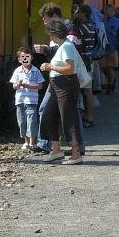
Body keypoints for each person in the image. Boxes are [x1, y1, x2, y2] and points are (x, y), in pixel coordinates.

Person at [39, 20, 83, 164]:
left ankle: (76, 154)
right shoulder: (61, 46)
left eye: (51, 34)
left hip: (66, 85)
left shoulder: (66, 47)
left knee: (68, 119)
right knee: (48, 116)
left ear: (55, 33)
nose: (50, 37)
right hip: (57, 86)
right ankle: (56, 150)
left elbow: (69, 68)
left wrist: (50, 66)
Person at [9, 47, 44, 152]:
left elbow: (40, 86)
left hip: (32, 101)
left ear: (31, 58)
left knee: (32, 122)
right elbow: (14, 86)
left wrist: (29, 86)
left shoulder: (35, 70)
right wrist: (18, 84)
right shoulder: (17, 71)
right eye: (22, 58)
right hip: (20, 100)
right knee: (22, 122)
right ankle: (26, 141)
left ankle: (32, 143)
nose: (25, 59)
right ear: (19, 60)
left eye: (27, 57)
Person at [101, 5, 119, 94]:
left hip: (113, 47)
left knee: (110, 67)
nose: (107, 13)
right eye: (106, 11)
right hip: (104, 47)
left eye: (109, 11)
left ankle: (110, 84)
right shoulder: (102, 20)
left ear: (113, 11)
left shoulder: (118, 21)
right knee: (103, 67)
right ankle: (113, 80)